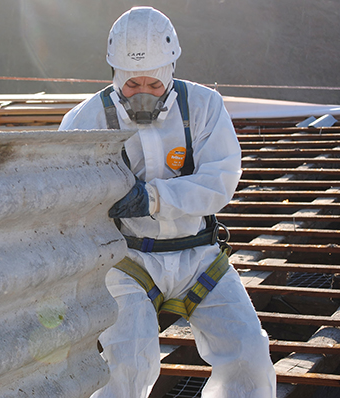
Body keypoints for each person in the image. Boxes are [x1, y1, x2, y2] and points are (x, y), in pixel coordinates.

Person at [59, 7, 276, 398]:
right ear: (114, 74)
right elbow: (68, 194)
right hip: (128, 261)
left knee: (249, 353)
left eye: (155, 85)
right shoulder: (85, 120)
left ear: (171, 70)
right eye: (132, 84)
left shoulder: (205, 107)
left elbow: (220, 180)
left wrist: (152, 198)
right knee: (128, 364)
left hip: (200, 257)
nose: (142, 93)